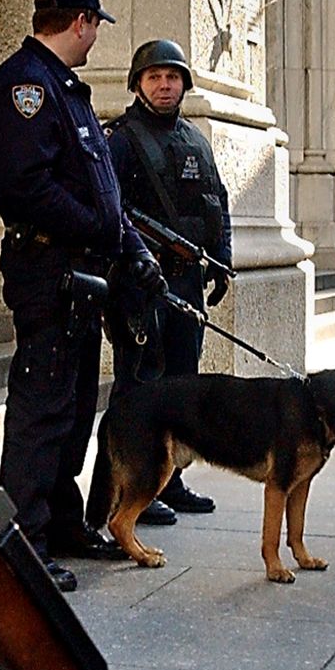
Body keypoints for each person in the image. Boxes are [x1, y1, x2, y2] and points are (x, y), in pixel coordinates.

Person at [0, 0, 163, 591]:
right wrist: (97, 232)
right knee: (42, 406)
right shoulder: (25, 88)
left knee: (77, 404)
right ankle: (22, 542)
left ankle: (59, 525)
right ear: (81, 22)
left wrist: (132, 250)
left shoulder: (67, 92)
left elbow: (104, 194)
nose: (95, 40)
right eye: (95, 28)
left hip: (82, 273)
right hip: (47, 268)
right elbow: (18, 187)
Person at [105, 38, 233, 520]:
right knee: (141, 388)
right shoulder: (121, 140)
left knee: (184, 388)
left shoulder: (196, 140)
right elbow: (111, 210)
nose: (164, 85)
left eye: (173, 77)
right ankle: (133, 489)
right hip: (141, 285)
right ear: (138, 83)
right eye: (155, 76)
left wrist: (220, 261)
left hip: (187, 283)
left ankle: (170, 479)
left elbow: (216, 204)